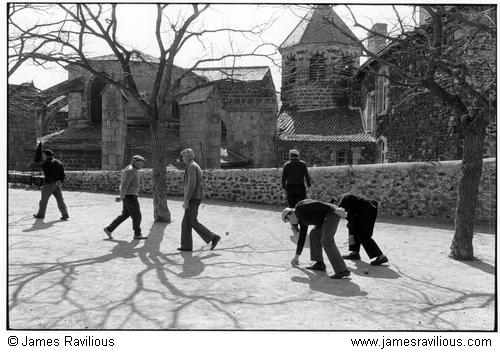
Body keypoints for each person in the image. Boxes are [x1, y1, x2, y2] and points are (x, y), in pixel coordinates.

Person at [282, 199, 350, 279]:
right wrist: (297, 256)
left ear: (290, 215)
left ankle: (342, 270)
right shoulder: (301, 220)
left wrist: (336, 210)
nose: (291, 223)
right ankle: (319, 264)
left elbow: (319, 204)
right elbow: (302, 237)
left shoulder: (300, 207)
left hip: (331, 214)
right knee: (314, 233)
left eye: (288, 220)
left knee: (327, 242)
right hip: (324, 220)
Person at [178, 148, 221, 252]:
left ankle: (213, 237)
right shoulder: (193, 165)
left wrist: (186, 200)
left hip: (193, 198)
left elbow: (191, 185)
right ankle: (186, 246)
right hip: (195, 197)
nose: (182, 159)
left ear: (188, 157)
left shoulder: (192, 166)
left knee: (192, 221)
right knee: (186, 223)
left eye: (183, 156)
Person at [334, 193, 388, 266]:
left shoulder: (343, 204)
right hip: (368, 208)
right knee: (354, 228)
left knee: (362, 233)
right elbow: (351, 220)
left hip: (367, 210)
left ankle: (381, 256)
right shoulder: (343, 198)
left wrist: (351, 236)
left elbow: (351, 219)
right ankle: (355, 253)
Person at [103, 155, 148, 240]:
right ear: (134, 162)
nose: (141, 166)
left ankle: (109, 229)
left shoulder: (132, 169)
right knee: (137, 215)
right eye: (139, 164)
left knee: (125, 214)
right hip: (130, 196)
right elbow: (124, 185)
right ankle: (137, 234)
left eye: (142, 164)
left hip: (130, 195)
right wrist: (121, 196)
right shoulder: (130, 170)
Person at [33, 149, 69, 220]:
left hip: (49, 184)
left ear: (46, 155)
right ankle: (65, 215)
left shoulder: (46, 163)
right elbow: (63, 174)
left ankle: (41, 215)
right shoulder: (59, 162)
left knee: (43, 200)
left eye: (43, 155)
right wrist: (60, 181)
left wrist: (50, 182)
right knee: (60, 200)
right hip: (58, 184)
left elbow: (47, 174)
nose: (42, 156)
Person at [281, 149, 311, 233]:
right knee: (300, 207)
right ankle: (302, 224)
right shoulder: (303, 164)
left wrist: (283, 189)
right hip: (300, 188)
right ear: (297, 155)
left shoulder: (286, 165)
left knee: (292, 208)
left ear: (290, 156)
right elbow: (307, 177)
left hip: (290, 188)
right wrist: (309, 188)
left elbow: (283, 178)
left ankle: (294, 226)